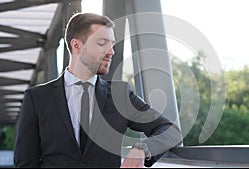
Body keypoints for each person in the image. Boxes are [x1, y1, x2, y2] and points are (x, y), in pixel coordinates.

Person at [14, 12, 182, 168]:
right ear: (76, 46)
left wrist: (142, 149)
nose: (111, 51)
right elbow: (25, 163)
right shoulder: (38, 98)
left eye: (112, 44)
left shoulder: (121, 95)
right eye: (102, 43)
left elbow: (170, 130)